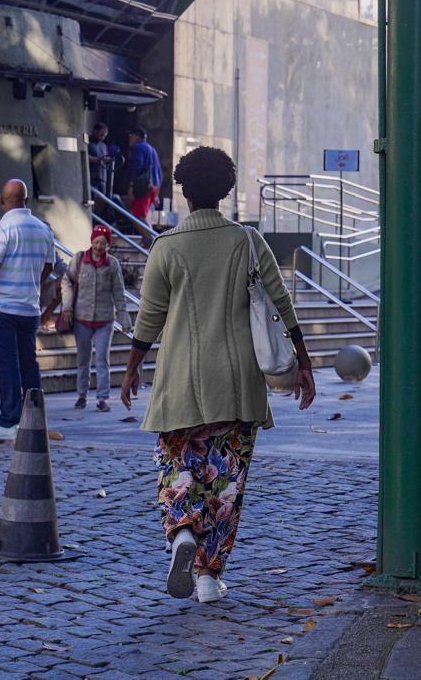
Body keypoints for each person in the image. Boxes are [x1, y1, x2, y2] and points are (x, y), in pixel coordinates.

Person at [119, 146, 316, 604]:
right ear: (225, 191)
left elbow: (148, 319)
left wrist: (131, 371)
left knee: (176, 466)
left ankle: (182, 532)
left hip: (178, 385)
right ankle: (209, 578)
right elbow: (281, 304)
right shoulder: (247, 241)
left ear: (184, 191)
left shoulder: (165, 247)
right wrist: (303, 362)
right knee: (225, 482)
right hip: (238, 384)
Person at [0, 179, 56, 440]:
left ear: (2, 200)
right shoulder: (43, 229)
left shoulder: (3, 228)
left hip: (2, 307)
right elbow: (49, 266)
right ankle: (33, 418)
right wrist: (32, 284)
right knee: (29, 364)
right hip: (29, 308)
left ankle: (8, 421)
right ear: (26, 201)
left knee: (7, 365)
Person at [61, 225, 132, 412]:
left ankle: (102, 398)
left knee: (102, 359)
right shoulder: (78, 259)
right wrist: (67, 307)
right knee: (83, 359)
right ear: (91, 241)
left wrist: (124, 319)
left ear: (108, 245)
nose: (99, 246)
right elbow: (66, 281)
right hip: (81, 317)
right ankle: (81, 395)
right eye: (96, 242)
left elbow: (118, 292)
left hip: (105, 319)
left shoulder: (112, 264)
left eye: (103, 243)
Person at [125, 128, 162, 243]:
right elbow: (159, 172)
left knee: (138, 215)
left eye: (131, 135)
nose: (129, 138)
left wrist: (131, 186)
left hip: (143, 188)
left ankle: (152, 242)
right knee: (143, 215)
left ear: (137, 136)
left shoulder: (138, 148)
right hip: (152, 188)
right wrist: (156, 194)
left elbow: (137, 167)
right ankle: (151, 240)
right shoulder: (152, 149)